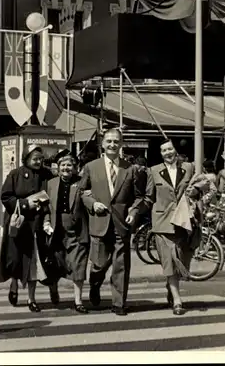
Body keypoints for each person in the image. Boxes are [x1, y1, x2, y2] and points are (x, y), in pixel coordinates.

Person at [79, 128, 144, 316]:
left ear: (121, 144)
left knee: (121, 264)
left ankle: (119, 303)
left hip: (121, 223)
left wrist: (133, 211)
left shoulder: (130, 169)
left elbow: (138, 197)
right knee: (99, 263)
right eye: (109, 141)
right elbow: (81, 192)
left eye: (116, 141)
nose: (112, 145)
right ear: (102, 144)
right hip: (99, 222)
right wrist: (92, 204)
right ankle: (95, 284)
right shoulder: (91, 167)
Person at [0, 145, 55, 312]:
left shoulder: (46, 174)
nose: (38, 162)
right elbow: (5, 196)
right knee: (15, 259)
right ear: (26, 158)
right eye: (35, 159)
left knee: (33, 263)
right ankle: (14, 285)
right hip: (18, 223)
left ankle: (31, 299)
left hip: (36, 225)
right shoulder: (15, 174)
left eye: (40, 159)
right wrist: (24, 203)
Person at [145, 139, 194, 315]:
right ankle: (178, 301)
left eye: (170, 149)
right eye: (164, 150)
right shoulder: (154, 171)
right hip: (162, 222)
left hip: (183, 222)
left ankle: (171, 287)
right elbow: (149, 196)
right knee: (169, 261)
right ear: (161, 153)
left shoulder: (189, 168)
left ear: (176, 150)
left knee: (180, 261)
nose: (168, 153)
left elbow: (200, 186)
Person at [44, 153, 90, 313]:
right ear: (58, 167)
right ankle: (53, 288)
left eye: (69, 165)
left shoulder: (81, 182)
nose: (66, 168)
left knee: (79, 266)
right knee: (55, 264)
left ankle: (78, 301)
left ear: (75, 168)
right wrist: (46, 221)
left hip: (77, 231)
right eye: (63, 165)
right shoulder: (51, 184)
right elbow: (46, 207)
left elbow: (87, 202)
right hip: (56, 230)